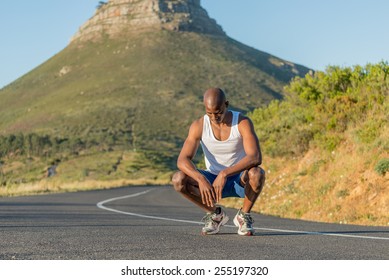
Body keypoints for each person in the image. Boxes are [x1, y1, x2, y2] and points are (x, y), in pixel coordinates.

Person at [172, 87, 265, 236]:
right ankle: (215, 215)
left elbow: (255, 157)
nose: (214, 117)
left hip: (238, 179)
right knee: (178, 179)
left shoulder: (242, 122)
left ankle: (243, 216)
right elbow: (182, 160)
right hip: (211, 181)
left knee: (257, 173)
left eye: (219, 112)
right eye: (210, 113)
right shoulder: (199, 126)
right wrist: (200, 178)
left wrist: (225, 173)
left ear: (226, 104)